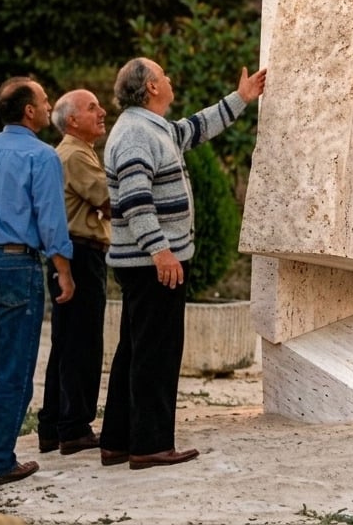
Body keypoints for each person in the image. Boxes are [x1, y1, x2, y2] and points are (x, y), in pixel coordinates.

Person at [99, 58, 265, 470]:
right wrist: (161, 251)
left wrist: (240, 99)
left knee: (135, 351)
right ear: (152, 87)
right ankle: (150, 445)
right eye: (165, 76)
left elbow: (194, 129)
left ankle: (118, 441)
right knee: (156, 353)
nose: (171, 80)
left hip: (146, 262)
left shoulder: (151, 128)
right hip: (153, 263)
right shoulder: (137, 135)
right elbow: (137, 202)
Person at [0, 78, 75, 486]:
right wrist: (63, 269)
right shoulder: (42, 157)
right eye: (45, 102)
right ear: (29, 111)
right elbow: (50, 220)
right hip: (14, 264)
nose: (49, 107)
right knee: (14, 369)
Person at [37, 90, 111, 457]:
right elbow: (110, 201)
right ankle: (75, 427)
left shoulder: (69, 153)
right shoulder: (76, 155)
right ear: (72, 121)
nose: (102, 112)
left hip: (69, 253)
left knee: (66, 342)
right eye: (92, 108)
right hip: (81, 255)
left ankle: (53, 425)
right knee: (83, 342)